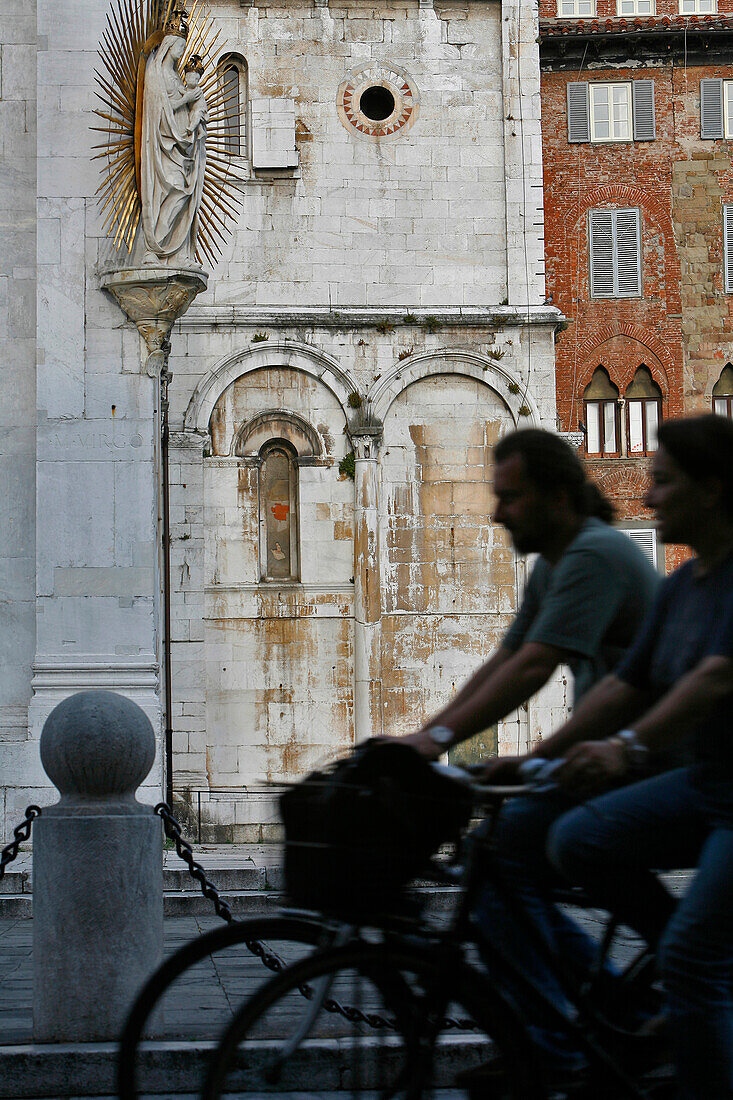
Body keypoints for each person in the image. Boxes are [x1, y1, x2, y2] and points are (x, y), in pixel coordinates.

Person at [399, 426, 660, 1083]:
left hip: (651, 759)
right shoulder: (557, 561)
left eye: (509, 498)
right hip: (609, 757)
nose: (495, 512)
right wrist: (424, 736)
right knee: (502, 864)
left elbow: (534, 667)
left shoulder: (594, 554)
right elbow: (508, 657)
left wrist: (434, 742)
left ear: (554, 497)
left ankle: (552, 1047)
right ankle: (609, 1002)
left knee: (506, 856)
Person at [538, 414, 733, 1100]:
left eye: (661, 482)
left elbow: (714, 675)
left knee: (690, 960)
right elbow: (626, 683)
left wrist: (626, 747)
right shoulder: (682, 585)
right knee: (576, 839)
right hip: (709, 786)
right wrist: (542, 757)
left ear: (709, 490)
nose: (645, 499)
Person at [141, 20, 207, 263]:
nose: (182, 50)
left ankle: (176, 252)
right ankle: (155, 247)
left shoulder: (177, 77)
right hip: (164, 142)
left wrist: (195, 120)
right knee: (174, 190)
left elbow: (189, 106)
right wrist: (186, 98)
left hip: (183, 145)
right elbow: (158, 108)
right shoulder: (156, 71)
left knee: (183, 193)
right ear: (169, 44)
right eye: (180, 45)